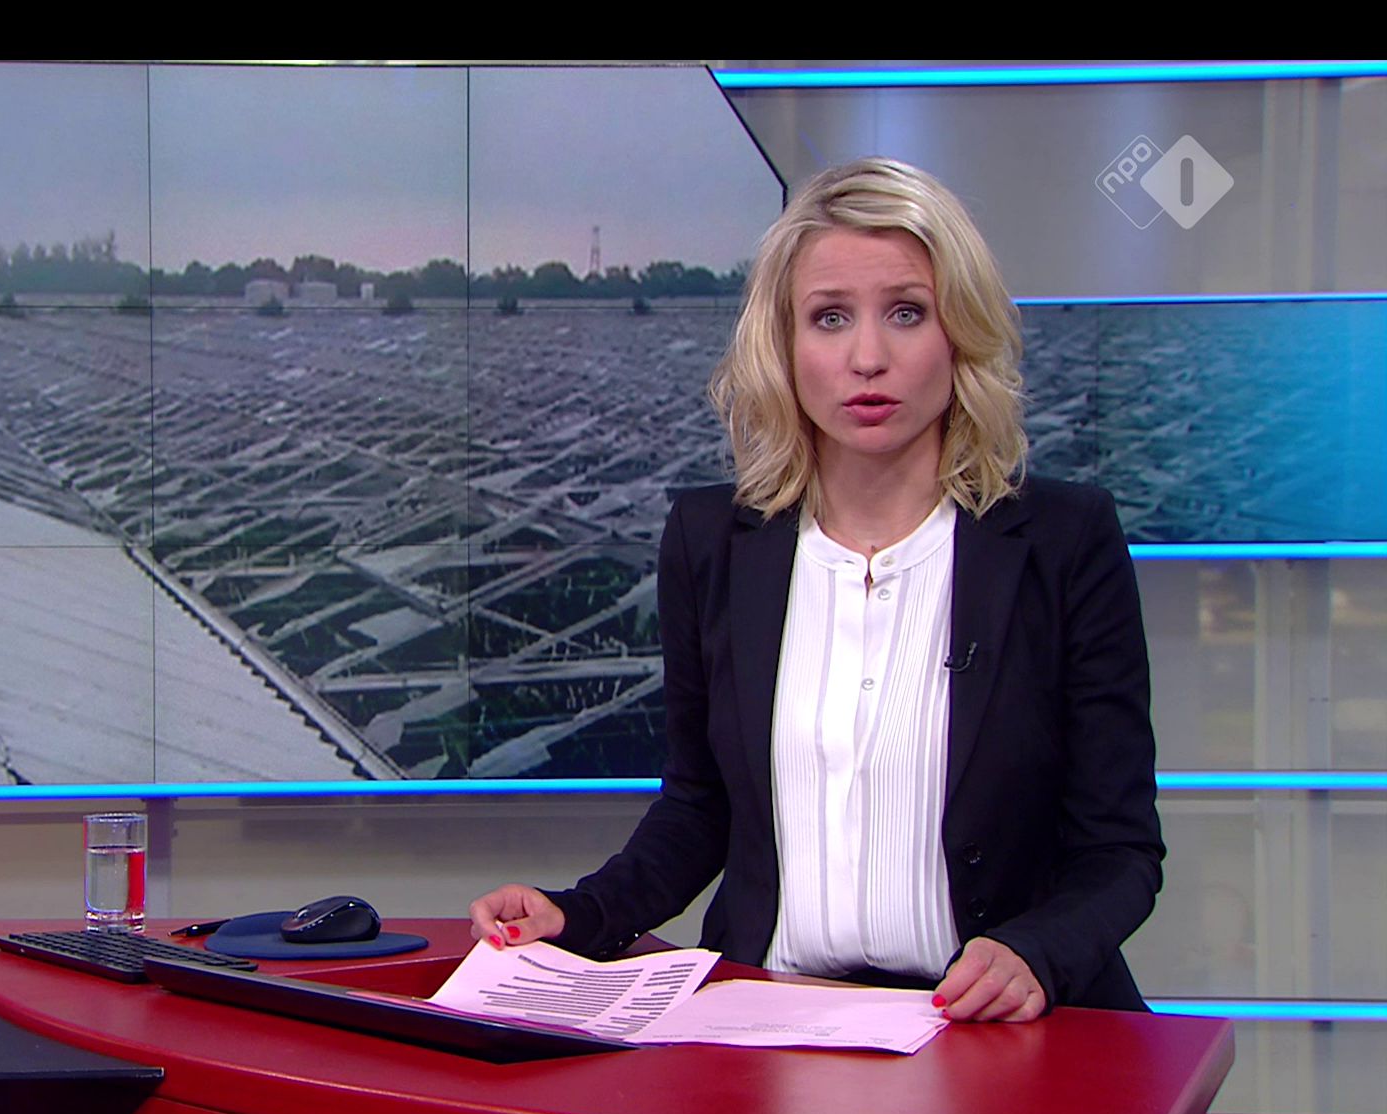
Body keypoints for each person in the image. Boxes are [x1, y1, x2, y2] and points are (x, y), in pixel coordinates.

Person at [470, 157, 1164, 1023]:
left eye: (906, 313)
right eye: (830, 317)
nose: (868, 357)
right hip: (772, 1020)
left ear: (960, 332)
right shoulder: (712, 542)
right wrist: (578, 915)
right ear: (784, 346)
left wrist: (1036, 952)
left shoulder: (1064, 541)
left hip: (990, 1028)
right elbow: (700, 809)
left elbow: (1119, 850)